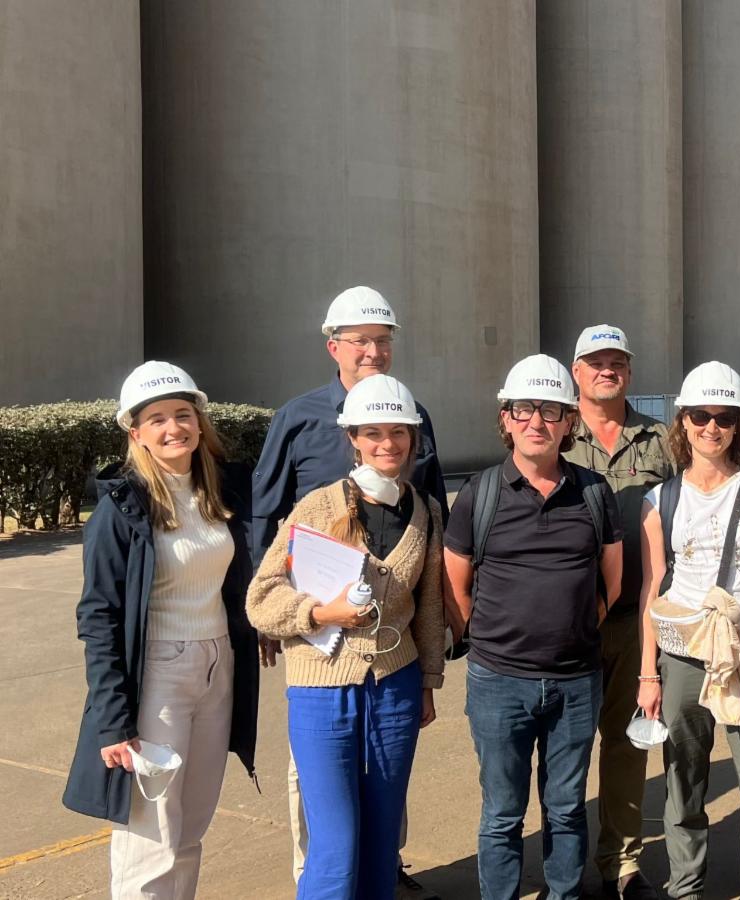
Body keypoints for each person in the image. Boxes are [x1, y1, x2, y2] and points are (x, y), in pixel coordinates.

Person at [251, 285, 447, 894]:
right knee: (332, 840)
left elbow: (428, 592)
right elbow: (264, 564)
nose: (388, 443)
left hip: (394, 678)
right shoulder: (311, 482)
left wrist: (429, 677)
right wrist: (305, 615)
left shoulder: (421, 505)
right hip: (321, 669)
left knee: (382, 836)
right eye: (372, 433)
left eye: (398, 433)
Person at [63, 361, 259, 899]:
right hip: (159, 674)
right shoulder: (121, 509)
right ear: (136, 434)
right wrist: (113, 721)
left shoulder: (221, 492)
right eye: (157, 420)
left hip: (218, 664)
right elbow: (98, 616)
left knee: (191, 827)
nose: (174, 428)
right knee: (150, 837)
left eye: (183, 414)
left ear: (199, 421)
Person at [443, 354, 623, 900]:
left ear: (570, 421)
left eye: (551, 410)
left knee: (566, 808)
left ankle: (563, 893)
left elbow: (610, 584)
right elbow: (456, 588)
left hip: (576, 681)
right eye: (524, 409)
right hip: (499, 683)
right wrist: (499, 641)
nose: (536, 421)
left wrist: (570, 631)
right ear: (506, 417)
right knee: (502, 812)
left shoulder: (594, 492)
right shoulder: (479, 494)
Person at [637, 361, 740, 900]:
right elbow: (652, 590)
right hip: (684, 652)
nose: (712, 427)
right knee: (682, 778)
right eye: (701, 416)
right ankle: (685, 886)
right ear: (682, 421)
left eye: (725, 417)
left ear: (739, 425)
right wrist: (648, 673)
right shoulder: (660, 500)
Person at [562, 324, 673, 900]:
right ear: (576, 371)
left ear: (628, 370)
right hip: (569, 622)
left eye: (617, 362)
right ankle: (563, 866)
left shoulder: (660, 440)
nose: (608, 370)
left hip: (637, 619)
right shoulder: (555, 432)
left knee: (628, 743)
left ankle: (622, 863)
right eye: (596, 362)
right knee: (566, 747)